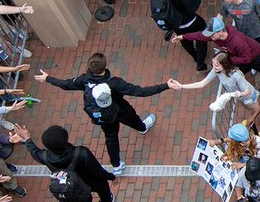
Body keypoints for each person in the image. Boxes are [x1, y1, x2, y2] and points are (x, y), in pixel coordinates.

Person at [35, 53, 169, 173]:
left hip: (103, 117)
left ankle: (116, 165)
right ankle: (143, 127)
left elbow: (66, 84)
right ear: (104, 67)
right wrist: (166, 86)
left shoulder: (84, 80)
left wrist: (48, 78)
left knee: (111, 137)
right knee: (133, 119)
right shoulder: (114, 83)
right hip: (120, 110)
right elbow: (140, 92)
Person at [22, 126, 115, 202]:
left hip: (73, 187)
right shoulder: (82, 153)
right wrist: (111, 177)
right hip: (89, 180)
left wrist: (28, 140)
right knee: (102, 184)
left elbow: (35, 153)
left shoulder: (44, 157)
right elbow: (98, 171)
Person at [176, 17, 260, 85]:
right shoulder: (216, 36)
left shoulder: (237, 42)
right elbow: (199, 36)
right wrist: (183, 37)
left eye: (211, 34)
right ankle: (253, 91)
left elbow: (246, 58)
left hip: (255, 56)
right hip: (237, 57)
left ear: (220, 32)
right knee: (247, 75)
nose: (209, 37)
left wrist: (227, 60)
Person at [168, 52, 260, 125]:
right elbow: (201, 84)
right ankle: (253, 118)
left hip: (248, 97)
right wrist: (182, 86)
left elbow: (247, 90)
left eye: (216, 65)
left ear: (224, 64)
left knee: (257, 111)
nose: (214, 67)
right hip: (238, 96)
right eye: (213, 64)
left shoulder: (236, 75)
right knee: (249, 110)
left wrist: (240, 94)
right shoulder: (216, 71)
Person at [148, 0, 208, 70]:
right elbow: (191, 9)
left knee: (184, 39)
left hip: (174, 23)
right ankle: (200, 61)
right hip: (190, 22)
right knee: (202, 35)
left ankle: (195, 56)